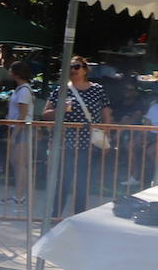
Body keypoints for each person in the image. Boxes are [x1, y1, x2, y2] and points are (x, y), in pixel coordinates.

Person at [42, 55, 111, 217]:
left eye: (77, 67)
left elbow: (106, 115)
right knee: (62, 182)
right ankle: (56, 216)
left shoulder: (97, 90)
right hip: (65, 143)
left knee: (83, 183)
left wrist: (107, 136)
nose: (73, 70)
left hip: (89, 144)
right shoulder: (60, 90)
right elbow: (45, 114)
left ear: (85, 70)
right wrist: (60, 109)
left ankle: (79, 217)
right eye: (70, 67)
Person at [3, 61, 35, 205]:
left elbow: (22, 115)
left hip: (21, 129)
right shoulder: (20, 89)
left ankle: (20, 195)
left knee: (20, 163)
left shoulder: (23, 91)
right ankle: (21, 193)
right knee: (17, 162)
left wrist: (14, 135)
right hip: (17, 127)